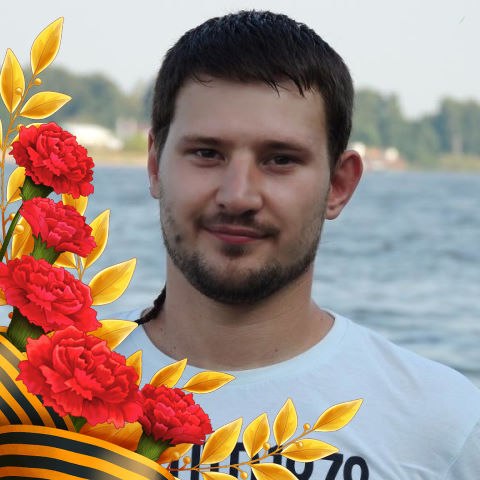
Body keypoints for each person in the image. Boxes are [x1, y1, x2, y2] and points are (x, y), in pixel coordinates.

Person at [116, 10, 480, 479]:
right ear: (154, 165)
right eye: (206, 153)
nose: (238, 196)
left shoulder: (443, 424)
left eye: (280, 160)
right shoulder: (39, 392)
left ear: (338, 185)